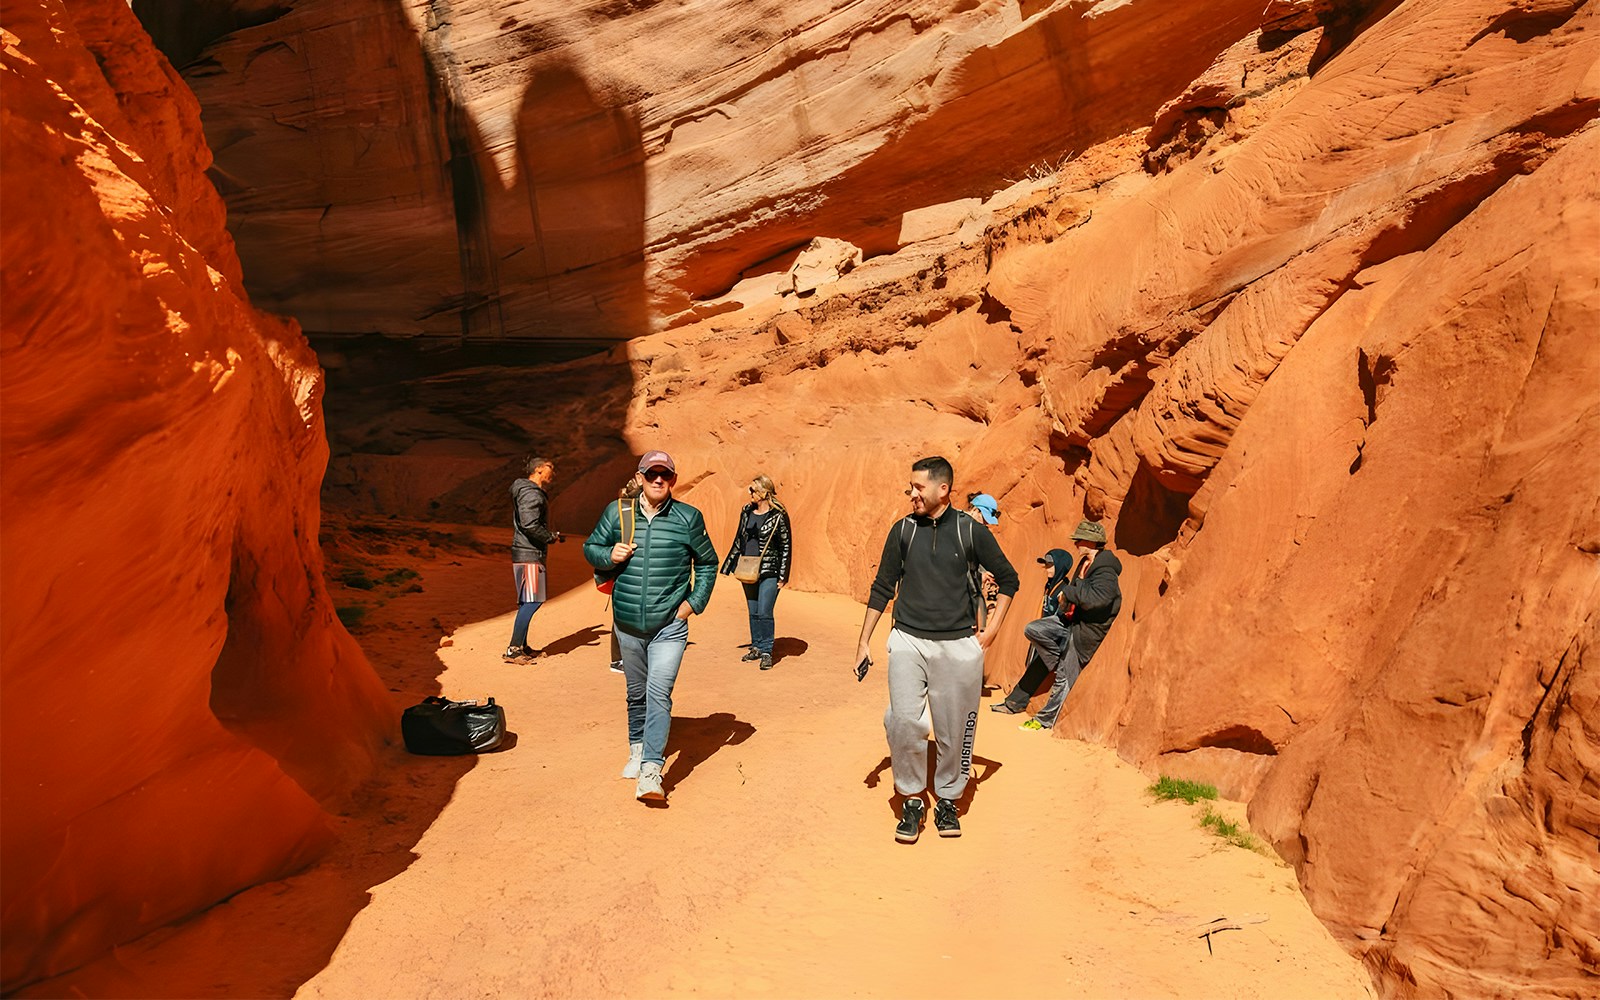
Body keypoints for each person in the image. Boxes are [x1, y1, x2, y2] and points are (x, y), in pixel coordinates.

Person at [854, 456, 1019, 843]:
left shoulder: (969, 531)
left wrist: (991, 630)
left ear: (942, 489)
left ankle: (947, 797)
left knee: (954, 729)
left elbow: (1010, 578)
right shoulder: (902, 531)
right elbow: (883, 586)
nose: (911, 493)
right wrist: (863, 640)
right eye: (910, 487)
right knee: (905, 721)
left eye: (918, 487)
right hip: (908, 639)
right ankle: (911, 797)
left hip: (958, 644)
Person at [584, 450, 718, 802]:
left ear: (673, 479)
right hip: (627, 625)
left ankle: (650, 770)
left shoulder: (688, 518)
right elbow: (590, 547)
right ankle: (636, 747)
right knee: (636, 694)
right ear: (640, 476)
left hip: (669, 627)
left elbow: (707, 563)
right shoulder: (618, 513)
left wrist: (692, 605)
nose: (658, 480)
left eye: (666, 475)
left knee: (659, 694)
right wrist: (606, 555)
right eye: (651, 474)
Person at [1011, 521, 1122, 730]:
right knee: (1034, 629)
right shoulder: (1084, 563)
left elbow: (1099, 599)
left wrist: (1069, 594)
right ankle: (1057, 660)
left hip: (1086, 630)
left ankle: (1044, 721)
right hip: (1070, 621)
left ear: (1091, 541)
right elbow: (1077, 590)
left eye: (1079, 539)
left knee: (1064, 677)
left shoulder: (1106, 570)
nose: (1076, 543)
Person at [990, 546, 1075, 714]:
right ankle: (1013, 702)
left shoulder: (1065, 589)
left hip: (1055, 639)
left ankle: (1014, 704)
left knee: (1036, 668)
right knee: (1031, 665)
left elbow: (1064, 617)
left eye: (1050, 565)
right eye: (1046, 565)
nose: (1047, 569)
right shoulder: (1050, 586)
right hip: (1043, 633)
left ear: (1061, 566)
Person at [720, 474, 793, 671]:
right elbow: (739, 539)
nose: (749, 493)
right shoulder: (746, 511)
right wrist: (728, 565)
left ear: (763, 492)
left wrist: (783, 575)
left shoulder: (778, 516)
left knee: (764, 611)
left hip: (769, 570)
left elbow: (786, 545)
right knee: (753, 611)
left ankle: (767, 651)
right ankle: (757, 647)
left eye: (752, 490)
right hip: (747, 569)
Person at [504, 456, 563, 664]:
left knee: (525, 601)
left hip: (523, 552)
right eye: (550, 467)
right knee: (533, 600)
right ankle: (513, 649)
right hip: (530, 554)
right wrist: (549, 537)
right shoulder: (531, 493)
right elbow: (529, 525)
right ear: (538, 469)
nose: (552, 472)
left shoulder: (525, 491)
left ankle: (523, 646)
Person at [605, 477, 645, 675]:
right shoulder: (628, 510)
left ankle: (621, 658)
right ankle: (619, 659)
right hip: (626, 569)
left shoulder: (621, 508)